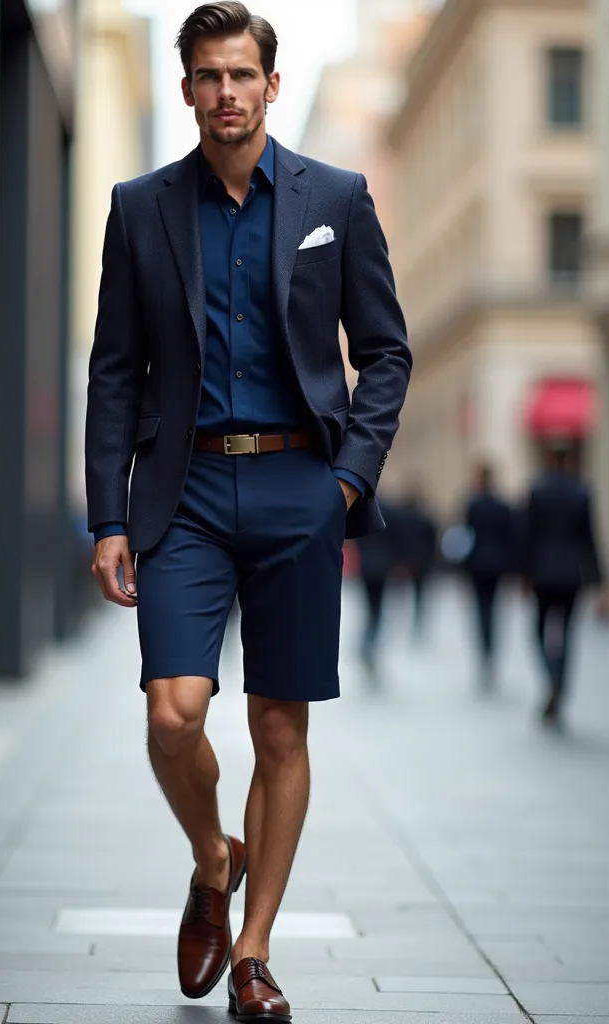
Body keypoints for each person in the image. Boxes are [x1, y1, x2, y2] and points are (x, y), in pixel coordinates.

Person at [85, 3, 411, 1018]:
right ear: (184, 88)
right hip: (179, 492)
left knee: (279, 727)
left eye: (242, 74)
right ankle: (209, 855)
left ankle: (256, 951)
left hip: (295, 489)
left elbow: (386, 352)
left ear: (271, 84)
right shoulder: (141, 208)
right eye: (207, 75)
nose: (225, 92)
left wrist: (346, 480)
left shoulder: (338, 198)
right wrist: (107, 515)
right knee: (172, 713)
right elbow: (112, 373)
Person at [521, 444, 609, 729]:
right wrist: (601, 582)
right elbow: (590, 538)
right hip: (573, 573)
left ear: (549, 458)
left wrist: (524, 573)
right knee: (568, 635)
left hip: (543, 573)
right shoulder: (581, 491)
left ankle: (551, 678)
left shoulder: (538, 490)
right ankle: (559, 683)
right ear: (569, 459)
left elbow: (528, 535)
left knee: (538, 630)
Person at [462, 464, 515, 690]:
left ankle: (484, 650)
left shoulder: (473, 504)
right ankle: (490, 650)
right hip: (497, 565)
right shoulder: (502, 506)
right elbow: (510, 537)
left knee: (481, 609)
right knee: (492, 609)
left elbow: (465, 535)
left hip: (476, 564)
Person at [355, 497, 401, 680]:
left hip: (366, 566)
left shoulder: (363, 508)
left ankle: (367, 641)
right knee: (377, 608)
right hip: (382, 566)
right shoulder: (390, 511)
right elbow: (396, 538)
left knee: (369, 607)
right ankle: (371, 641)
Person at [396, 483, 437, 637]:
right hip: (422, 561)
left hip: (406, 560)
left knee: (401, 592)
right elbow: (432, 540)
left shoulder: (401, 516)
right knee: (420, 593)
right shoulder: (425, 517)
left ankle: (403, 621)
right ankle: (417, 622)